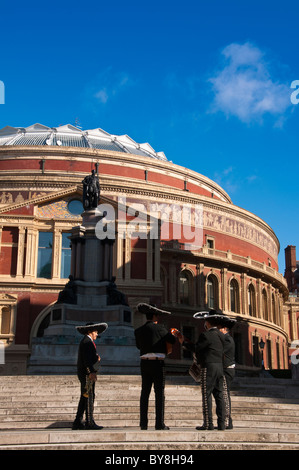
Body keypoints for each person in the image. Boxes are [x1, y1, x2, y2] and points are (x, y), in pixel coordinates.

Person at [179, 309, 226, 430]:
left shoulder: (206, 335)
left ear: (208, 323)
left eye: (205, 321)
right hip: (220, 367)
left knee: (207, 395)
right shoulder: (221, 336)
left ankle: (208, 423)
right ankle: (221, 424)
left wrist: (183, 343)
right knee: (219, 395)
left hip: (208, 368)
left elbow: (196, 348)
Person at [134, 303, 177, 430]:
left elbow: (138, 346)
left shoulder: (138, 331)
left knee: (144, 393)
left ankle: (143, 423)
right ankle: (159, 423)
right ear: (154, 316)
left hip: (144, 363)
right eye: (157, 316)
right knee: (159, 393)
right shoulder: (161, 329)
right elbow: (172, 340)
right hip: (158, 363)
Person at [72, 322, 108, 430]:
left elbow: (89, 358)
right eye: (96, 332)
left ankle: (78, 421)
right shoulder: (87, 342)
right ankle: (89, 422)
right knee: (89, 397)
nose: (97, 334)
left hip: (86, 374)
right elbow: (86, 360)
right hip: (87, 375)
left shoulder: (87, 342)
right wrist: (91, 372)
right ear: (89, 332)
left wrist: (96, 359)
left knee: (85, 397)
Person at [217, 316, 236, 429]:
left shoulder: (228, 340)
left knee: (224, 394)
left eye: (219, 328)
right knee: (223, 393)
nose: (217, 330)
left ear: (224, 329)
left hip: (226, 370)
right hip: (224, 369)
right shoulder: (225, 339)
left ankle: (228, 420)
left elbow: (220, 353)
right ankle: (225, 420)